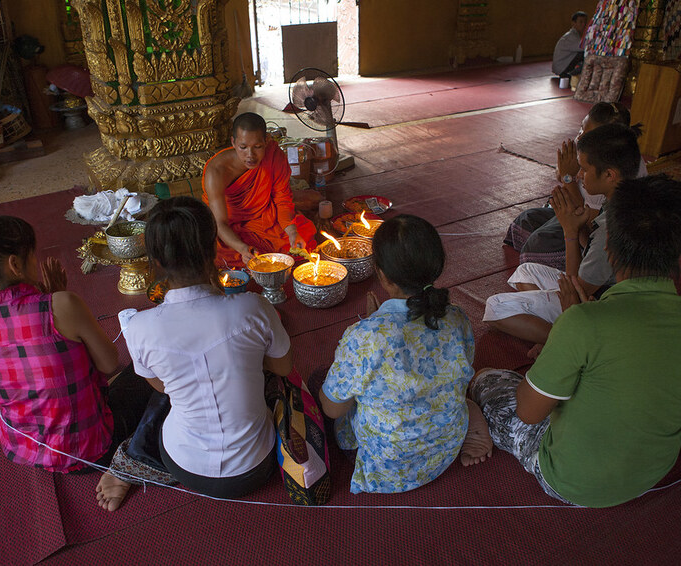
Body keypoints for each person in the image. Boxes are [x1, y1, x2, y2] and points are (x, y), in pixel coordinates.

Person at [470, 174, 681, 508]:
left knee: (487, 380)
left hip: (573, 481)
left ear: (609, 247)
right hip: (653, 470)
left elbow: (528, 412)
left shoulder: (584, 322)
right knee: (649, 380)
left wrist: (563, 333)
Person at [96, 196, 293, 511]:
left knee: (155, 380)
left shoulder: (141, 326)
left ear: (155, 262)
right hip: (256, 466)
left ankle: (135, 459)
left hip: (184, 466)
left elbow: (161, 389)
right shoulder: (253, 307)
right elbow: (283, 367)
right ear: (213, 250)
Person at [0, 216, 152, 473]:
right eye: (32, 256)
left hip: (24, 447)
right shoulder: (62, 304)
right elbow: (108, 363)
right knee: (150, 367)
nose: (36, 262)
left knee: (31, 384)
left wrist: (50, 299)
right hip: (90, 452)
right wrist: (56, 298)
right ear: (15, 264)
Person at [319, 214, 493, 494]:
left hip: (389, 466)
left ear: (382, 274)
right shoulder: (458, 318)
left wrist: (374, 327)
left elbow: (332, 408)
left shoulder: (365, 337)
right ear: (436, 266)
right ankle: (470, 423)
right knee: (461, 397)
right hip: (442, 450)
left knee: (324, 387)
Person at [484, 123, 641, 346]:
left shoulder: (613, 226)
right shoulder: (624, 198)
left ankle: (563, 339)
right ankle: (552, 324)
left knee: (495, 306)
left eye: (584, 170)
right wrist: (576, 226)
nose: (580, 175)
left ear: (609, 174)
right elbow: (589, 244)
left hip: (602, 304)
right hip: (601, 289)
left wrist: (569, 232)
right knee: (525, 270)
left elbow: (576, 291)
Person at [505, 102, 646, 270]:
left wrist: (568, 180)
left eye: (587, 134)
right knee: (524, 222)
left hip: (590, 226)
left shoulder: (609, 169)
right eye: (581, 129)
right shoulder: (596, 150)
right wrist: (566, 174)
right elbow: (563, 172)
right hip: (577, 211)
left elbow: (588, 222)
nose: (579, 137)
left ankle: (578, 258)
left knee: (536, 245)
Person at [202, 112, 316, 268]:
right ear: (233, 143)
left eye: (257, 147)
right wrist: (243, 249)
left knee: (302, 232)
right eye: (243, 147)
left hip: (264, 219)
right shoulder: (216, 171)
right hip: (229, 226)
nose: (250, 155)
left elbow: (282, 200)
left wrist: (291, 232)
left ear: (267, 141)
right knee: (215, 252)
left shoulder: (274, 156)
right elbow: (220, 223)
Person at [552, 11, 588, 79]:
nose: (584, 24)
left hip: (563, 66)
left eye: (585, 22)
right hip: (562, 69)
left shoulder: (577, 35)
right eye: (581, 22)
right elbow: (585, 47)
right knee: (587, 55)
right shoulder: (570, 37)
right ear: (573, 23)